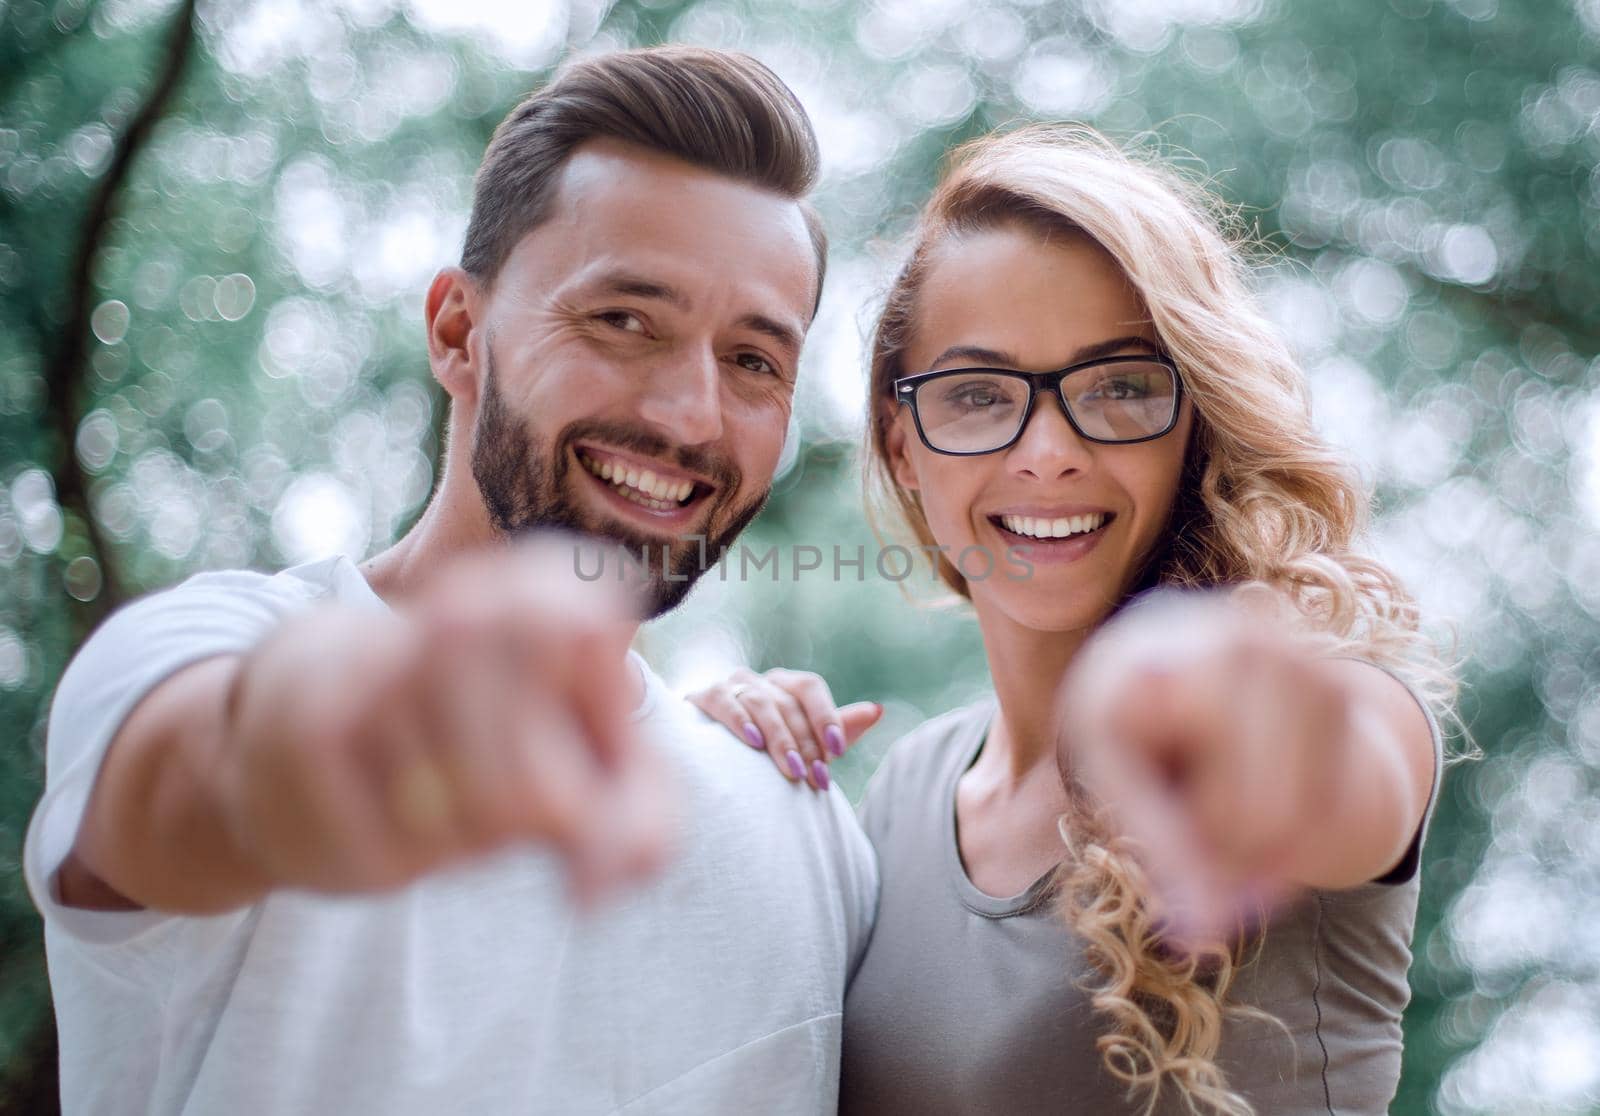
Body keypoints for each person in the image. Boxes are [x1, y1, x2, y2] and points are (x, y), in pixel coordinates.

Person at [24, 46, 876, 1116]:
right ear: (458, 332)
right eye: (622, 320)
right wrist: (366, 726)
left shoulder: (805, 828)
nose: (688, 416)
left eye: (754, 361)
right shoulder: (212, 650)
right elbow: (187, 787)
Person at [688, 124, 1451, 1115]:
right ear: (902, 442)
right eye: (974, 394)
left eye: (1120, 386)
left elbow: (1354, 776)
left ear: (1195, 421)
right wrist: (710, 763)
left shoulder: (1319, 701)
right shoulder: (906, 792)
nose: (1047, 451)